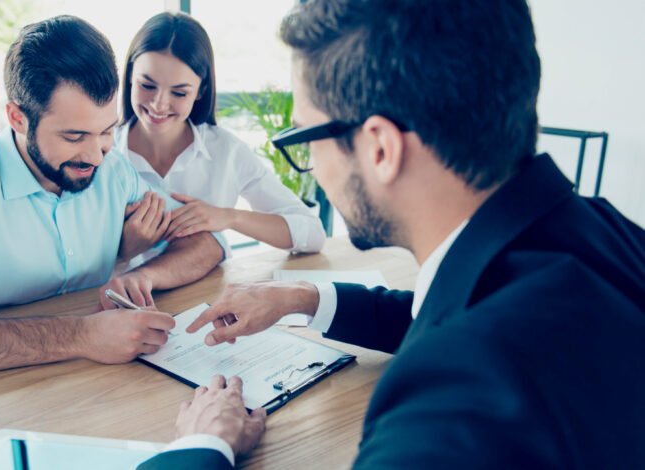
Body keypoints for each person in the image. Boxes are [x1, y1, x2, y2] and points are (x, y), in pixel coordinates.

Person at [137, 0, 645, 468]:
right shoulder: (603, 234)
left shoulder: (446, 411)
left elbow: (468, 349)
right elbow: (453, 312)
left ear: (380, 147)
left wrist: (203, 446)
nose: (310, 162)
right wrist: (303, 297)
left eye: (307, 136)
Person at [0, 16, 226, 380]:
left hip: (102, 382)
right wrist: (79, 336)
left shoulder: (114, 169)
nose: (97, 156)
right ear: (17, 118)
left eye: (106, 131)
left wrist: (145, 276)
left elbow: (207, 240)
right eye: (74, 137)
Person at [113, 12, 325, 267]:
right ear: (129, 77)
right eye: (147, 85)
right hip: (120, 300)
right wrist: (122, 250)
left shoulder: (226, 151)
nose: (159, 104)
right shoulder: (102, 151)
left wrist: (228, 218)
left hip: (205, 297)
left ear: (201, 90)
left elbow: (312, 234)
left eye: (179, 92)